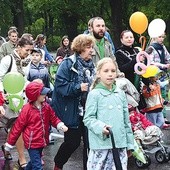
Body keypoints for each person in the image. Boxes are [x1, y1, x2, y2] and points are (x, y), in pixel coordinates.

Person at [51, 34, 96, 170]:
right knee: (72, 142)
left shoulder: (91, 65)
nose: (91, 50)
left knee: (90, 144)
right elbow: (60, 86)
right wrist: (78, 88)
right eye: (88, 47)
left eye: (92, 47)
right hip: (72, 111)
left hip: (89, 110)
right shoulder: (68, 64)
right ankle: (58, 165)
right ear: (80, 48)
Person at [83, 57, 134, 170]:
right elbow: (88, 118)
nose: (110, 74)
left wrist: (130, 144)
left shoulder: (120, 93)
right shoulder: (94, 94)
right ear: (98, 73)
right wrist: (101, 127)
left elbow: (126, 121)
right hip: (101, 146)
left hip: (119, 145)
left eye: (113, 71)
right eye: (106, 71)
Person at [4, 81, 68, 170]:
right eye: (42, 94)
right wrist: (9, 144)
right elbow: (18, 127)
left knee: (34, 161)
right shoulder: (27, 110)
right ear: (35, 95)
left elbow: (53, 118)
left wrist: (59, 124)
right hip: (32, 143)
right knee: (37, 166)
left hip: (42, 141)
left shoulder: (46, 107)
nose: (45, 95)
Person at [0, 37, 33, 169]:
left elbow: (24, 79)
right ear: (18, 46)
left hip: (20, 99)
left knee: (16, 127)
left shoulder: (27, 61)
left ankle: (21, 157)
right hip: (7, 98)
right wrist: (2, 95)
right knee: (9, 125)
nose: (29, 53)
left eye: (31, 50)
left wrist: (32, 87)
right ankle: (7, 149)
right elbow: (0, 78)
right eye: (27, 50)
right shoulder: (8, 59)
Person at [146, 32, 170, 124]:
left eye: (163, 37)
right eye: (159, 37)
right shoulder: (151, 48)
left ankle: (163, 117)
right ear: (154, 37)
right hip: (154, 74)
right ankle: (156, 119)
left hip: (163, 74)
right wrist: (163, 65)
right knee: (155, 96)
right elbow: (151, 62)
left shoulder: (163, 47)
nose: (162, 39)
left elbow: (168, 57)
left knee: (163, 95)